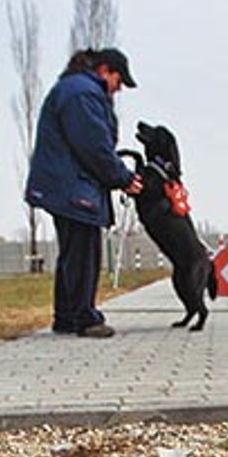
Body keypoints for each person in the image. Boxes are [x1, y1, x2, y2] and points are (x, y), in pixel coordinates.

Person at [26, 47, 143, 338]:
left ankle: (66, 316)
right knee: (83, 253)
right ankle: (85, 318)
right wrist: (122, 177)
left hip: (63, 184)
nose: (117, 90)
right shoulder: (83, 93)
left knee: (72, 252)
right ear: (104, 70)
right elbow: (93, 146)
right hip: (73, 186)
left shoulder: (73, 88)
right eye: (118, 82)